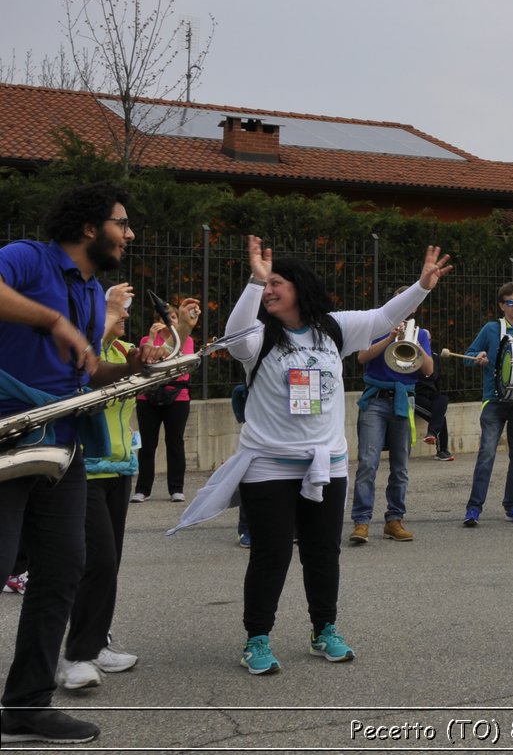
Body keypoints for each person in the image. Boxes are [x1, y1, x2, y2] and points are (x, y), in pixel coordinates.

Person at [194, 236, 451, 676]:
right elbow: (234, 337)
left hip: (326, 464)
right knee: (271, 554)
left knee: (323, 552)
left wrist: (421, 286)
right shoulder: (258, 337)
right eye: (267, 284)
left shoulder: (333, 329)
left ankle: (324, 630)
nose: (270, 290)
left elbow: (385, 316)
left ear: (300, 287)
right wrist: (254, 283)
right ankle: (257, 638)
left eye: (277, 283)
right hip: (268, 464)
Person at [0, 181, 158, 745]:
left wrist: (133, 370)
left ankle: (26, 704)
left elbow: (85, 375)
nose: (129, 233)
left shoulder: (95, 294)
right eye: (121, 222)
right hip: (8, 438)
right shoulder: (25, 257)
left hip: (62, 448)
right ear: (91, 227)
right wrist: (51, 320)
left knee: (63, 570)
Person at [55, 283, 170, 692]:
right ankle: (75, 658)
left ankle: (94, 642)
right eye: (117, 311)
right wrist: (103, 316)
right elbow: (81, 381)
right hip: (82, 470)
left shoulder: (122, 353)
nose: (125, 316)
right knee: (96, 563)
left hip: (120, 469)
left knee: (108, 564)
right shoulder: (86, 351)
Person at [349, 288, 435, 545]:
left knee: (401, 467)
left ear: (414, 308)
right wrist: (389, 339)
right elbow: (362, 357)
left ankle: (394, 520)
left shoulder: (420, 334)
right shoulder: (376, 327)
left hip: (403, 400)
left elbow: (429, 371)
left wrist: (417, 346)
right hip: (375, 400)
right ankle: (361, 521)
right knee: (368, 463)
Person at [462, 284, 513, 527]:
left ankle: (512, 506)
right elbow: (469, 355)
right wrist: (478, 358)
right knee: (486, 454)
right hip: (494, 402)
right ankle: (474, 508)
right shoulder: (491, 329)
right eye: (510, 302)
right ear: (501, 306)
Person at [130, 295, 200, 503]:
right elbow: (147, 361)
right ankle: (143, 489)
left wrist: (160, 357)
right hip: (147, 396)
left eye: (173, 317)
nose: (170, 320)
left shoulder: (186, 340)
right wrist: (152, 338)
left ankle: (176, 489)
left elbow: (177, 365)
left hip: (177, 396)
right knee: (148, 444)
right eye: (165, 317)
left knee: (175, 442)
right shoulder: (146, 340)